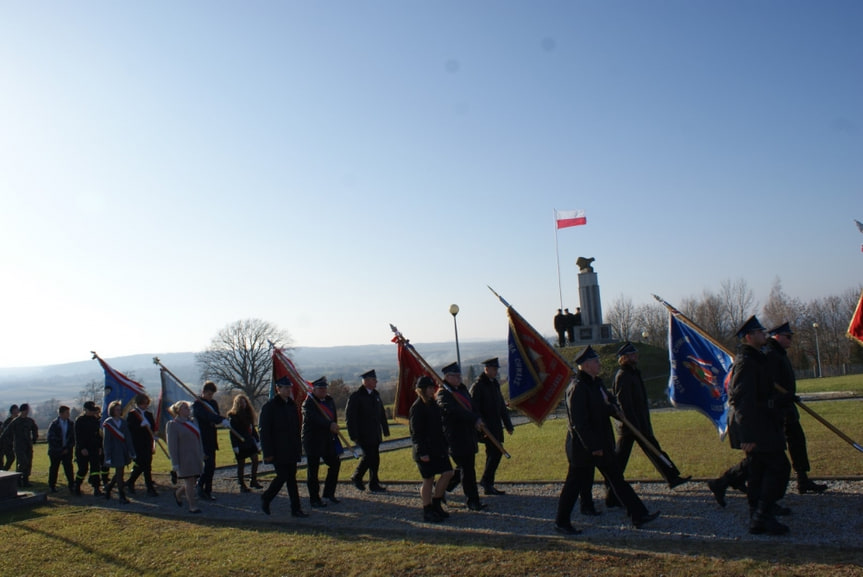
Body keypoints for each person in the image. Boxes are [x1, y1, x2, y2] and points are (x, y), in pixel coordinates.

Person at [555, 346, 660, 534]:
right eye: (595, 361)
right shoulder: (577, 387)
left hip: (602, 442)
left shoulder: (597, 383)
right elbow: (579, 423)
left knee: (617, 479)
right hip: (584, 447)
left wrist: (615, 409)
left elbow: (608, 402)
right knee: (573, 484)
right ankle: (561, 522)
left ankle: (639, 514)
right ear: (586, 365)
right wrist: (593, 446)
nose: (599, 364)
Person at [727, 315, 792, 535]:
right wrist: (747, 436)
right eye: (759, 333)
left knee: (758, 472)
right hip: (757, 427)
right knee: (779, 468)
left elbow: (762, 393)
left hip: (762, 422)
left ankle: (758, 517)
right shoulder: (746, 362)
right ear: (748, 337)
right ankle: (762, 515)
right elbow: (742, 400)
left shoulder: (756, 358)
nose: (763, 335)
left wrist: (780, 400)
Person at [606, 342, 689, 509]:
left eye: (635, 354)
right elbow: (624, 403)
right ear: (624, 358)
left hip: (640, 423)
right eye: (632, 355)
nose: (636, 357)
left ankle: (672, 477)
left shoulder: (634, 373)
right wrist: (635, 426)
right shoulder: (623, 376)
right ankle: (611, 494)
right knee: (619, 461)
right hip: (630, 427)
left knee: (655, 450)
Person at [766, 322, 827, 495]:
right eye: (788, 337)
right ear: (777, 336)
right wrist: (785, 398)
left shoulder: (779, 353)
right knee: (775, 451)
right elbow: (769, 386)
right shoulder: (771, 355)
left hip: (787, 407)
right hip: (779, 411)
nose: (791, 340)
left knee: (797, 442)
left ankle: (802, 479)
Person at [437, 362, 486, 511]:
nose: (459, 378)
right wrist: (473, 419)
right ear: (447, 377)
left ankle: (440, 487)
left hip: (468, 434)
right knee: (467, 469)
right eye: (456, 376)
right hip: (455, 436)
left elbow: (472, 407)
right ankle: (472, 500)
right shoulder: (443, 393)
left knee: (463, 468)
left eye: (460, 375)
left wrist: (478, 418)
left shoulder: (462, 389)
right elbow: (453, 412)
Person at [259, 377, 307, 517]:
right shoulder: (270, 407)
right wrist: (267, 452)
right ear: (278, 389)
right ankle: (267, 497)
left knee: (291, 478)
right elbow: (265, 431)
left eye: (289, 388)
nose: (288, 390)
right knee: (283, 476)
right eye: (285, 388)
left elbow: (295, 427)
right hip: (278, 449)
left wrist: (298, 447)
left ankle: (296, 508)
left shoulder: (291, 405)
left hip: (291, 448)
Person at [410, 376, 455, 522]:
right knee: (428, 479)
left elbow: (439, 427)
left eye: (432, 388)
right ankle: (427, 509)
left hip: (438, 447)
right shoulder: (417, 408)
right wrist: (422, 451)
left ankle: (436, 503)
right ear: (422, 390)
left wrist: (445, 445)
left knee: (448, 473)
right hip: (425, 450)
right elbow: (416, 433)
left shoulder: (433, 404)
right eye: (429, 388)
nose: (432, 390)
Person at [470, 357, 514, 496]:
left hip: (496, 425)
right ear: (486, 369)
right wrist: (481, 424)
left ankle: (488, 482)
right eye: (493, 369)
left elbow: (501, 405)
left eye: (496, 369)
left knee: (495, 454)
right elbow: (474, 408)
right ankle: (486, 481)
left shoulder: (494, 384)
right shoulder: (478, 386)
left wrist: (508, 424)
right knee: (495, 452)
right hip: (486, 427)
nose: (496, 372)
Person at [345, 369, 390, 492]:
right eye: (373, 380)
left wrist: (385, 429)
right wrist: (353, 434)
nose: (376, 382)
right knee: (368, 456)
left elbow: (381, 413)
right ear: (366, 381)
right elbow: (350, 417)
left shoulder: (375, 395)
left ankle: (374, 483)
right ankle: (357, 476)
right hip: (363, 433)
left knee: (375, 458)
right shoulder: (356, 396)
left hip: (375, 433)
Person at [302, 376, 342, 508]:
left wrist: (334, 426)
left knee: (335, 463)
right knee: (313, 471)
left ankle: (329, 493)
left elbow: (333, 417)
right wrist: (329, 424)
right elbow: (313, 419)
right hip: (313, 440)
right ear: (314, 390)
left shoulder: (329, 401)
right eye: (320, 388)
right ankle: (314, 498)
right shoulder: (308, 403)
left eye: (325, 388)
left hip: (327, 439)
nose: (324, 390)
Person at [193, 380, 231, 501]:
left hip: (212, 437)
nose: (210, 396)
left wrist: (221, 420)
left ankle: (208, 491)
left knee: (212, 466)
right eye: (209, 394)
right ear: (203, 392)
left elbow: (215, 415)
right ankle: (199, 486)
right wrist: (219, 419)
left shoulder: (213, 403)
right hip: (202, 438)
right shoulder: (198, 404)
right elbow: (206, 416)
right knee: (208, 465)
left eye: (212, 394)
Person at [166, 401, 204, 514]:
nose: (187, 410)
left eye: (188, 407)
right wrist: (175, 463)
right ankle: (192, 506)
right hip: (184, 457)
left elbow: (199, 439)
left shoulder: (193, 421)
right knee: (189, 481)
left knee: (193, 482)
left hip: (195, 455)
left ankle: (178, 493)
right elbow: (172, 445)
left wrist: (202, 453)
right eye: (184, 408)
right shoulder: (173, 424)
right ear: (178, 410)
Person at [102, 400, 136, 504]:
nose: (119, 411)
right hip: (114, 451)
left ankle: (109, 487)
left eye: (119, 409)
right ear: (112, 410)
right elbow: (106, 441)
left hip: (123, 450)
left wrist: (131, 451)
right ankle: (122, 495)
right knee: (119, 473)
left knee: (119, 472)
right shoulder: (108, 423)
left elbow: (128, 438)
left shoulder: (123, 422)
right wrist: (107, 455)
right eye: (117, 409)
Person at [125, 393, 159, 496]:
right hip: (138, 444)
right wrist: (140, 426)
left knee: (147, 465)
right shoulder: (132, 414)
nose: (145, 406)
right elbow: (130, 429)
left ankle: (147, 486)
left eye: (146, 404)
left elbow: (152, 427)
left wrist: (154, 435)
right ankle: (135, 483)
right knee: (141, 465)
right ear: (138, 403)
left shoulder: (148, 414)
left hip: (147, 443)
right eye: (143, 404)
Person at [228, 393, 262, 493]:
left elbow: (252, 429)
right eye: (241, 403)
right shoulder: (233, 416)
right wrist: (235, 446)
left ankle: (253, 480)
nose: (243, 404)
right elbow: (232, 433)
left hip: (250, 441)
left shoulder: (248, 414)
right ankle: (241, 484)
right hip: (240, 443)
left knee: (255, 460)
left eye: (244, 402)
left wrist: (257, 440)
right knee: (241, 464)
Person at [0, 403, 38, 487]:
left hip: (28, 445)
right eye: (27, 410)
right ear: (24, 410)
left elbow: (35, 428)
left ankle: (25, 480)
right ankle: (18, 480)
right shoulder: (16, 421)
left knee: (28, 463)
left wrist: (34, 438)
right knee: (22, 463)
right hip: (19, 446)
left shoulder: (29, 421)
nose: (28, 411)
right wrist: (3, 441)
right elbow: (6, 432)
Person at [74, 401, 105, 496]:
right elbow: (78, 436)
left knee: (95, 469)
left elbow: (99, 435)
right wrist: (82, 448)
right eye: (90, 410)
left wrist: (100, 447)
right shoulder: (80, 420)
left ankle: (96, 488)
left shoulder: (95, 420)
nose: (92, 412)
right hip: (83, 449)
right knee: (83, 469)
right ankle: (77, 486)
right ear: (85, 410)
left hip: (94, 448)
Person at [47, 405, 76, 493]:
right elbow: (51, 438)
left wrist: (68, 448)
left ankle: (71, 485)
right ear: (61, 413)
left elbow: (73, 437)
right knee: (54, 468)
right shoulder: (54, 424)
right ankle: (52, 485)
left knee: (68, 468)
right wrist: (59, 449)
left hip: (67, 450)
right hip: (55, 451)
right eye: (67, 413)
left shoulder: (71, 424)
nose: (68, 414)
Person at [0, 405, 19, 471]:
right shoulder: (8, 422)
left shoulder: (18, 421)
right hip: (4, 444)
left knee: (11, 458)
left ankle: (4, 471)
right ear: (13, 411)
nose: (18, 411)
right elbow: (4, 434)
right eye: (16, 410)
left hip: (10, 444)